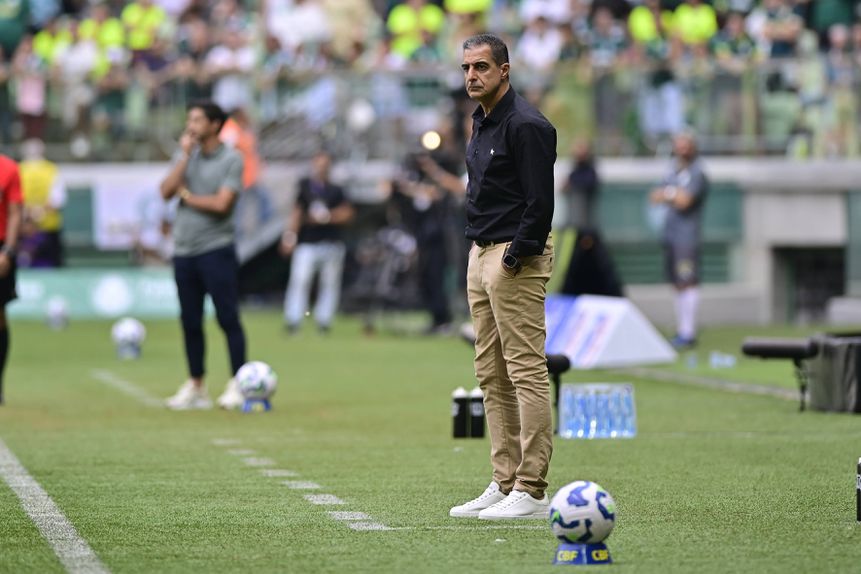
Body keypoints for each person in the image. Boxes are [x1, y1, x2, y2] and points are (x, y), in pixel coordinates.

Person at [449, 33, 556, 520]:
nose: (472, 76)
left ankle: (532, 488)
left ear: (505, 70)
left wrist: (515, 257)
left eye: (481, 67)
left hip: (513, 255)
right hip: (482, 251)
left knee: (525, 371)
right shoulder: (481, 120)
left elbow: (541, 203)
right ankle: (504, 478)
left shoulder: (527, 124)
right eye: (467, 68)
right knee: (491, 375)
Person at [159, 100, 247, 410]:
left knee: (227, 318)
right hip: (184, 251)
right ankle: (196, 384)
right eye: (189, 119)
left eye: (197, 120)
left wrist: (187, 196)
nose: (191, 125)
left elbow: (222, 204)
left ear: (214, 124)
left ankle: (239, 382)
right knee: (190, 321)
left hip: (216, 249)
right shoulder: (187, 156)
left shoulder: (232, 159)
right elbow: (165, 191)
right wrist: (184, 155)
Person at [281, 150, 354, 334]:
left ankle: (324, 321)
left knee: (329, 283)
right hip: (308, 242)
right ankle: (294, 319)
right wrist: (290, 236)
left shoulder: (336, 190)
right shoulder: (305, 186)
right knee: (300, 280)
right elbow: (297, 212)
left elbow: (348, 213)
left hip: (331, 242)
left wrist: (328, 217)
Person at [649, 132, 708, 348]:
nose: (682, 149)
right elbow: (654, 196)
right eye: (679, 145)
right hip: (671, 235)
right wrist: (672, 193)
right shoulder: (672, 170)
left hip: (687, 237)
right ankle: (682, 329)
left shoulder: (697, 173)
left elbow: (685, 200)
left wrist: (668, 194)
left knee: (688, 281)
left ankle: (688, 332)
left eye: (686, 144)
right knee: (677, 283)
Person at [18, 139, 66, 267]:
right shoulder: (52, 169)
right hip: (44, 228)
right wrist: (39, 211)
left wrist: (30, 213)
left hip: (28, 228)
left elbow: (14, 200)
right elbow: (57, 200)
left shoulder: (18, 169)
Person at [0, 154, 22, 405]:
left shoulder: (8, 169)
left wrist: (8, 251)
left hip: (1, 248)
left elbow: (16, 212)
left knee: (0, 316)